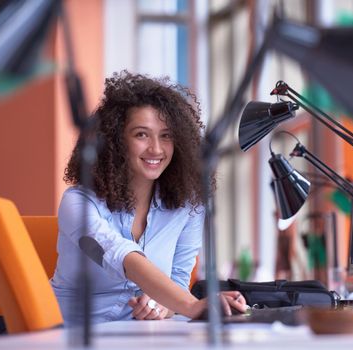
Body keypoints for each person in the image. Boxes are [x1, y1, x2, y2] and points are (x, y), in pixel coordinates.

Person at [50, 71, 247, 326]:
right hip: (70, 336)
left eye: (166, 135)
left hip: (143, 336)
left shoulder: (188, 207)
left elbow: (178, 282)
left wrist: (162, 306)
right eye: (141, 134)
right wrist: (192, 305)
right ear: (115, 140)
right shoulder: (77, 203)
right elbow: (118, 255)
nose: (156, 149)